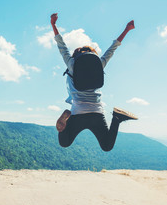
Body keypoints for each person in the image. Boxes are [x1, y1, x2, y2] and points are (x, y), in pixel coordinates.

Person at [51, 13, 138, 152]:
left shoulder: (72, 64)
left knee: (64, 142)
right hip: (96, 113)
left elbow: (61, 46)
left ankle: (65, 118)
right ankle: (117, 118)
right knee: (107, 146)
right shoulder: (99, 64)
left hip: (77, 112)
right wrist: (127, 30)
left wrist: (53, 25)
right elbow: (112, 49)